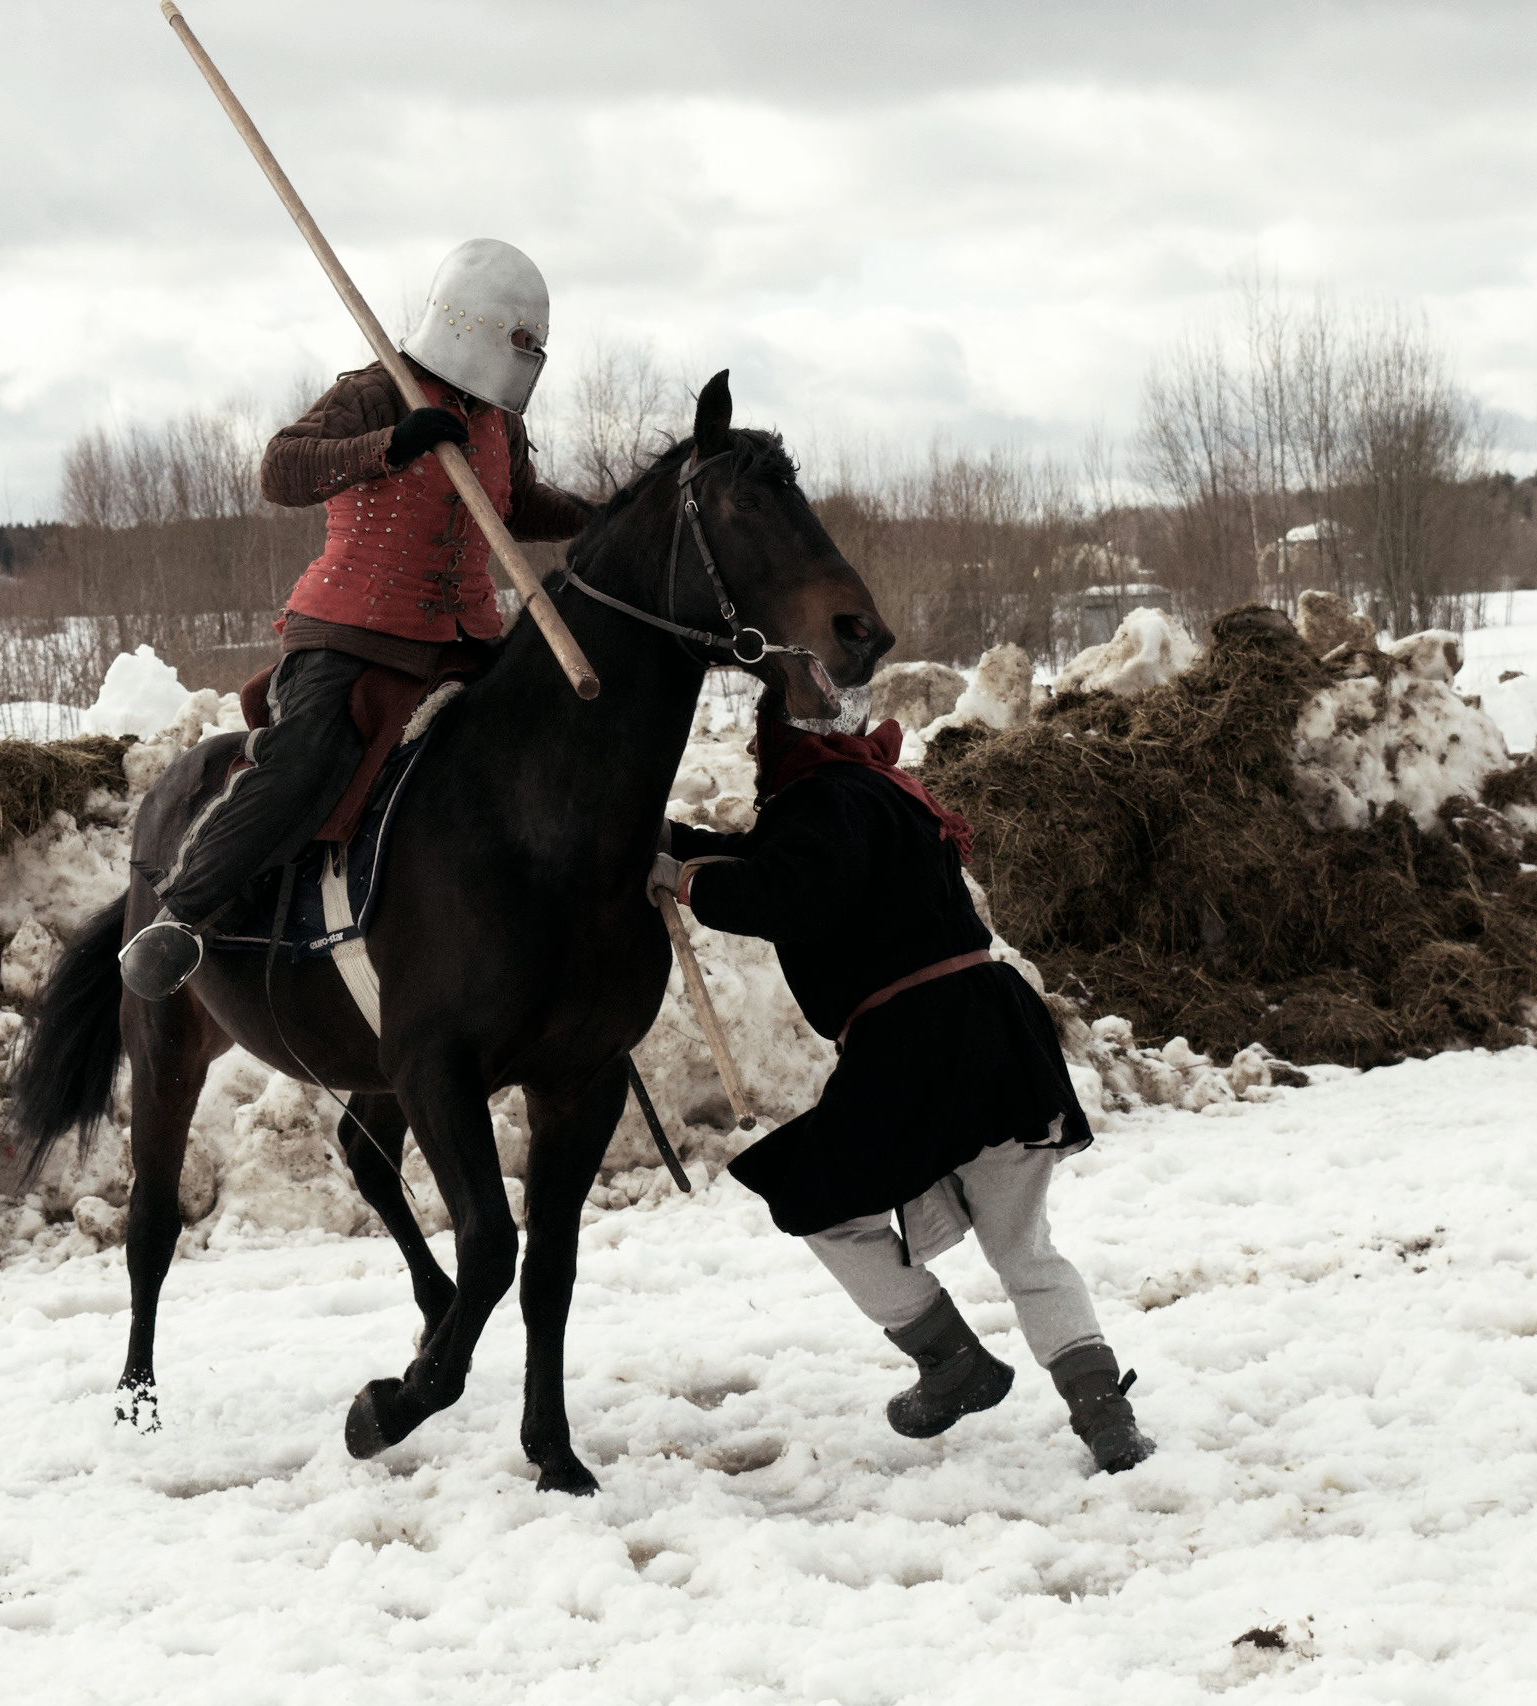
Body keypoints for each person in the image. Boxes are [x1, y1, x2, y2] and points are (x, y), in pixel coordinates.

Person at [651, 709, 1156, 1475]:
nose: (754, 749)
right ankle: (1103, 1413)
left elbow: (784, 893)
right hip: (994, 1026)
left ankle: (949, 1358)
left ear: (796, 741)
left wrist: (683, 883)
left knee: (818, 1202)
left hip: (914, 1040)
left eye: (766, 735)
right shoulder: (872, 791)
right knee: (1024, 1246)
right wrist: (670, 841)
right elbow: (765, 858)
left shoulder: (819, 800)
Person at [120, 238, 593, 1000]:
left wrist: (598, 519)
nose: (529, 355)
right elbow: (280, 469)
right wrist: (390, 446)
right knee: (307, 756)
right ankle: (183, 913)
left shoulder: (500, 422)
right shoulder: (378, 390)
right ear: (475, 325)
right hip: (350, 635)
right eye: (520, 341)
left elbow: (518, 504)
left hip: (466, 642)